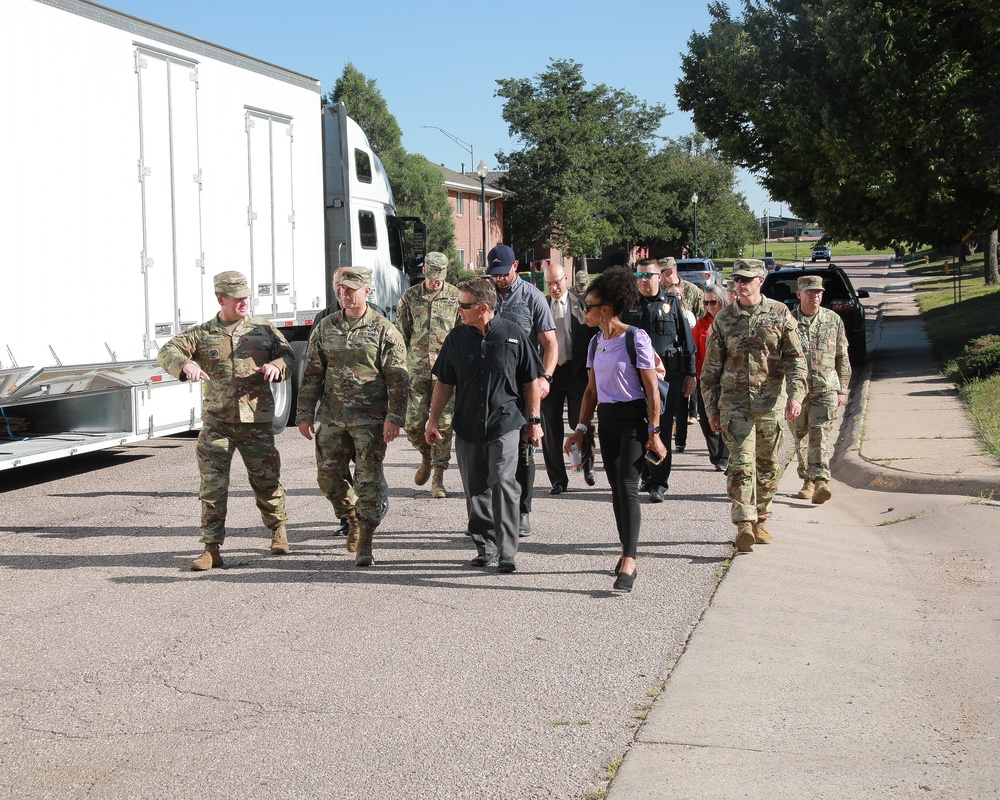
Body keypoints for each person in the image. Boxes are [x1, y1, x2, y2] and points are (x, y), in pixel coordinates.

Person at [157, 271, 294, 571]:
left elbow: (289, 354)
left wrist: (278, 365)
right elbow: (166, 350)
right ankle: (211, 549)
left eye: (247, 296)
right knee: (213, 486)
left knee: (266, 479)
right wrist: (185, 364)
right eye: (238, 298)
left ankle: (278, 532)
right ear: (222, 299)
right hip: (217, 423)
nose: (245, 302)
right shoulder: (203, 333)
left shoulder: (263, 329)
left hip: (255, 422)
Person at [426, 277, 543, 573]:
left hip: (505, 423)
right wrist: (433, 419)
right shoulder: (457, 338)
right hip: (467, 425)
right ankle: (485, 546)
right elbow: (444, 382)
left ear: (483, 308)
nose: (459, 310)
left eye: (464, 306)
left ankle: (506, 551)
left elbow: (531, 381)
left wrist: (534, 421)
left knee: (503, 482)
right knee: (475, 488)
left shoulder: (513, 334)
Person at [295, 266, 409, 568]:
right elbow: (312, 374)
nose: (344, 295)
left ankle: (365, 542)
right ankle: (350, 518)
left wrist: (394, 417)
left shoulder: (385, 330)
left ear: (367, 291)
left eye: (351, 290)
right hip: (332, 418)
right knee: (328, 478)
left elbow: (398, 379)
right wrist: (304, 413)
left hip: (369, 421)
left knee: (367, 482)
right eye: (340, 289)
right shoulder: (325, 327)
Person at [564, 266, 666, 593]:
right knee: (616, 489)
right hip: (607, 420)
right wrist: (580, 428)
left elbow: (652, 390)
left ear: (605, 309)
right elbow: (591, 392)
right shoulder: (595, 343)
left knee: (626, 484)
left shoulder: (636, 338)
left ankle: (630, 561)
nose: (584, 311)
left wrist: (655, 431)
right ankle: (626, 551)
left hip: (634, 420)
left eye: (588, 306)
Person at [701, 259, 807, 553]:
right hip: (735, 405)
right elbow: (710, 372)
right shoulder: (724, 319)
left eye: (747, 279)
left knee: (768, 466)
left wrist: (796, 395)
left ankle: (761, 517)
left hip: (771, 403)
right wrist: (711, 409)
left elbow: (795, 359)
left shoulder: (779, 313)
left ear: (760, 280)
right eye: (737, 279)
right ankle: (744, 524)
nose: (741, 284)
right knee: (741, 464)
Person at [485, 244, 557, 537]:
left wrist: (546, 378)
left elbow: (550, 343)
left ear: (515, 266)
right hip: (491, 386)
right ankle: (491, 512)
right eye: (494, 274)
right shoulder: (484, 296)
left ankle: (523, 511)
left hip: (524, 385)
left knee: (525, 449)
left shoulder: (532, 297)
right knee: (490, 451)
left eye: (503, 273)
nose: (499, 279)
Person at [621, 258, 697, 503]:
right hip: (635, 377)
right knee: (639, 427)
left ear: (659, 277)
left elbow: (688, 344)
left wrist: (691, 375)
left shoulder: (672, 304)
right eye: (639, 276)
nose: (643, 280)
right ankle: (645, 474)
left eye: (648, 275)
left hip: (666, 378)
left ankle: (658, 482)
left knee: (661, 427)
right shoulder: (628, 305)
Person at [396, 252, 460, 499]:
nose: (435, 282)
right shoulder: (411, 296)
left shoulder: (455, 297)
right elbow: (401, 334)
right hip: (417, 369)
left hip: (445, 372)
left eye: (440, 277)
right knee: (412, 423)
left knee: (443, 424)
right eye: (432, 276)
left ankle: (438, 478)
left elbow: (461, 333)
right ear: (424, 271)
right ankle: (425, 455)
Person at [790, 274, 851, 504]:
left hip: (826, 387)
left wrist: (843, 389)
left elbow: (841, 356)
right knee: (801, 437)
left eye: (818, 292)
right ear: (799, 294)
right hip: (797, 391)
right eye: (810, 292)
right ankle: (807, 479)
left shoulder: (833, 320)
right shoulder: (789, 321)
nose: (815, 296)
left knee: (820, 434)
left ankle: (821, 480)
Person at [540, 263, 598, 494]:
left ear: (567, 279)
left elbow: (596, 337)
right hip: (550, 374)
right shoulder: (541, 305)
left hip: (577, 372)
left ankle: (588, 465)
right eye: (549, 283)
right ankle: (558, 479)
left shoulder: (582, 304)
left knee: (582, 422)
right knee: (550, 429)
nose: (554, 287)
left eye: (558, 282)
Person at [692, 285, 730, 472]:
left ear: (722, 301)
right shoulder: (701, 324)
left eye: (713, 302)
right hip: (706, 378)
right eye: (706, 302)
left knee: (727, 415)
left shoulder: (731, 320)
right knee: (706, 416)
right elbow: (695, 352)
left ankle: (724, 456)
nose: (709, 306)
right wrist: (695, 375)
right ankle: (716, 454)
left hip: (728, 378)